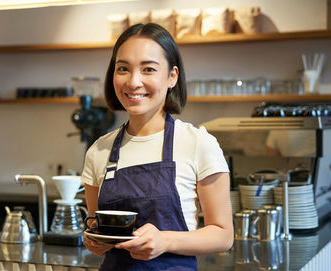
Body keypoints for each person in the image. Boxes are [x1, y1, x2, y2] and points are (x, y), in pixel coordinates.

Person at [81, 23, 233, 271]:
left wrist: (165, 240)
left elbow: (223, 236)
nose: (134, 82)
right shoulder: (99, 151)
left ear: (172, 76)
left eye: (148, 69)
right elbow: (96, 228)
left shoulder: (198, 143)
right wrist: (93, 240)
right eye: (123, 69)